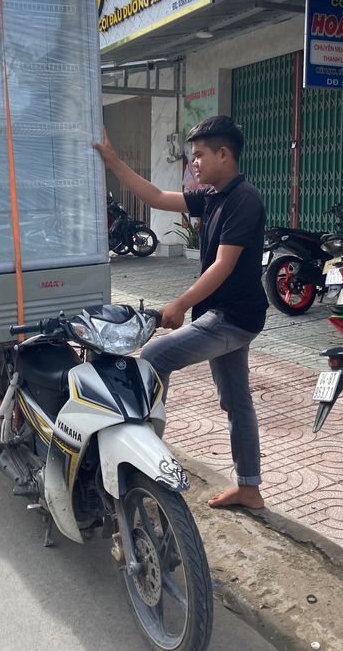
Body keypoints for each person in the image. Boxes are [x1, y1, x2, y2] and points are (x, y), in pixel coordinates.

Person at [94, 115, 268, 509]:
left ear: (224, 154)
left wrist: (178, 305)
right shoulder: (213, 197)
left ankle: (145, 462)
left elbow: (222, 266)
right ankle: (250, 487)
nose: (195, 164)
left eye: (200, 155)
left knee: (155, 355)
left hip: (232, 317)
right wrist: (112, 161)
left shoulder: (244, 199)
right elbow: (156, 197)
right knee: (236, 400)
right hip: (226, 315)